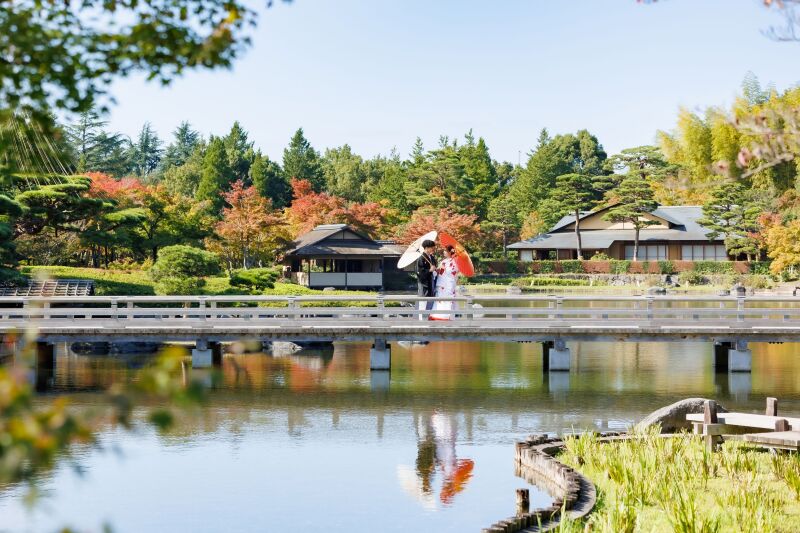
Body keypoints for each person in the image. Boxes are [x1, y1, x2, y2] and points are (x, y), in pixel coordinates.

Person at [430, 245, 460, 320]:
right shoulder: (443, 261)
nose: (444, 252)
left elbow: (453, 272)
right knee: (440, 299)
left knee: (448, 299)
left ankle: (448, 316)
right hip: (441, 283)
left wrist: (445, 268)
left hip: (449, 283)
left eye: (445, 251)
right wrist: (436, 270)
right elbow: (439, 272)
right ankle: (437, 316)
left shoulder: (454, 261)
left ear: (450, 252)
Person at [416, 240, 437, 320]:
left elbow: (434, 268)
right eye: (432, 248)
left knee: (430, 303)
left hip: (431, 283)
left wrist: (435, 270)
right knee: (423, 303)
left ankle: (428, 319)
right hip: (424, 283)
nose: (433, 249)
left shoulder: (431, 257)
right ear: (427, 248)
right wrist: (429, 270)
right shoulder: (421, 258)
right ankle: (422, 322)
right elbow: (420, 273)